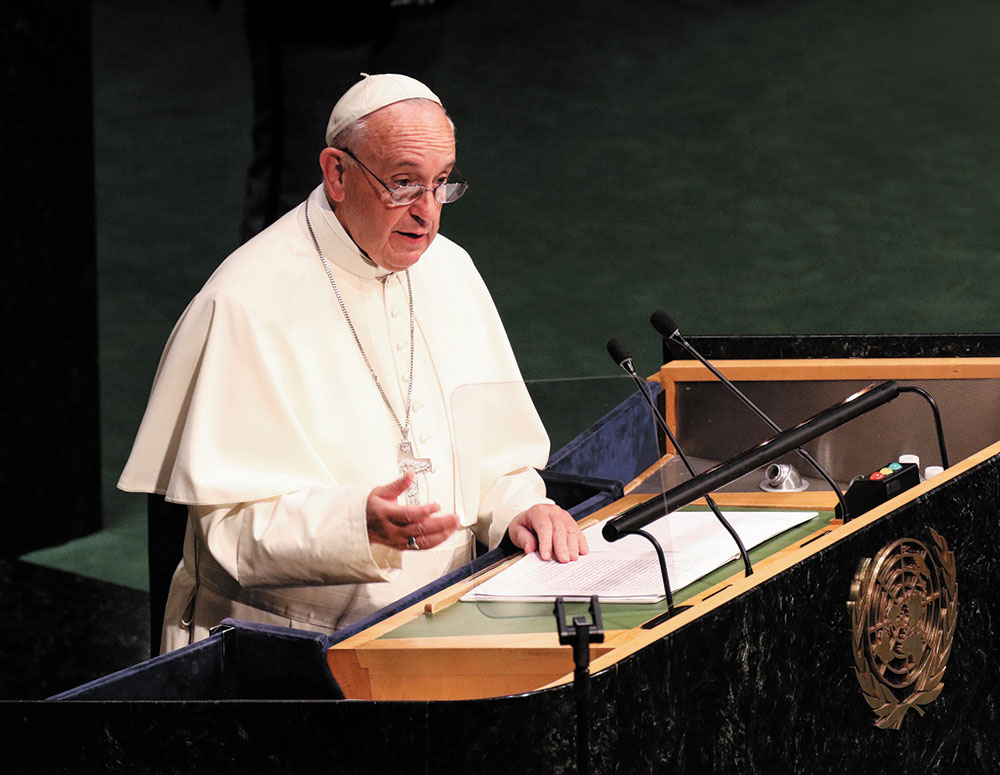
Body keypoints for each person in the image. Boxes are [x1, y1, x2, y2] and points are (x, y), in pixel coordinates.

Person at [120, 73, 588, 653]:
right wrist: (354, 525)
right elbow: (227, 534)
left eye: (441, 184)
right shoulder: (245, 300)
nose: (427, 214)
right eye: (403, 184)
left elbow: (496, 457)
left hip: (447, 626)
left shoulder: (451, 270)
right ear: (337, 174)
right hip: (285, 649)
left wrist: (523, 506)